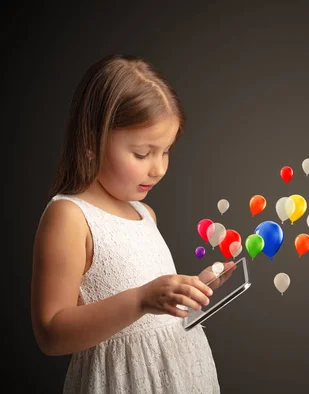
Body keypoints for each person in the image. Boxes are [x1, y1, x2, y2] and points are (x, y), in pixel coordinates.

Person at [31, 54, 236, 393]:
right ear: (91, 142)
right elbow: (51, 332)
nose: (158, 169)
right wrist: (140, 299)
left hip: (183, 375)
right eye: (142, 153)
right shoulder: (70, 217)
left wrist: (184, 295)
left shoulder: (144, 214)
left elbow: (156, 312)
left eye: (166, 151)